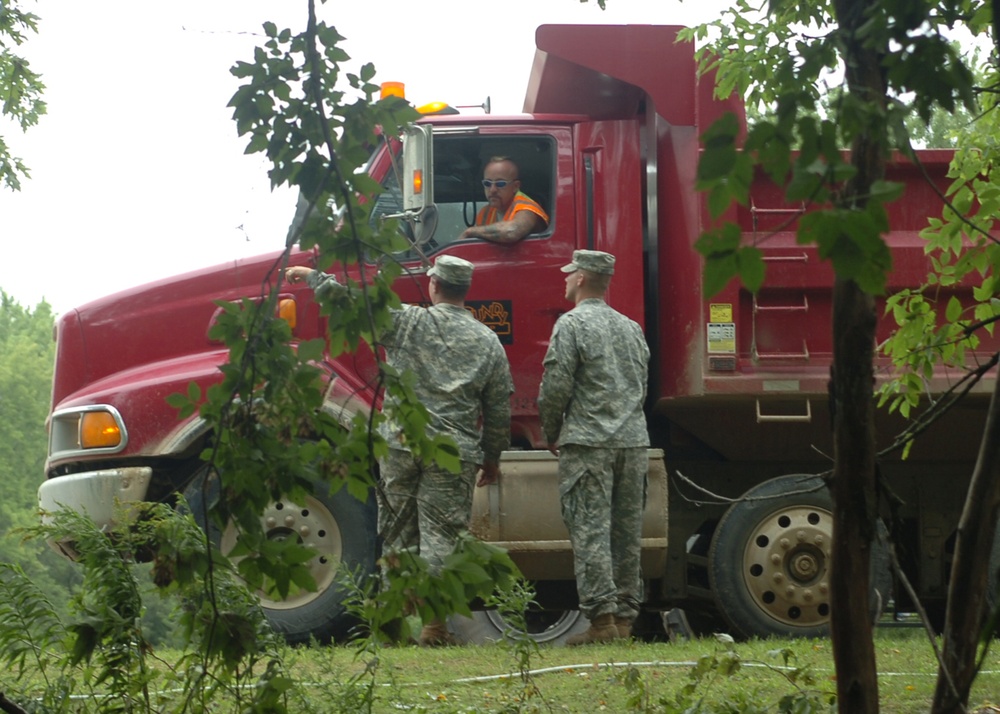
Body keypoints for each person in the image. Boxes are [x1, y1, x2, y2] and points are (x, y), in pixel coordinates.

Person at [285, 256, 513, 646]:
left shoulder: (409, 321)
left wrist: (313, 277)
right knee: (442, 536)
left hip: (401, 443)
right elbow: (498, 408)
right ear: (465, 291)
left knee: (396, 533)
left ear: (434, 285)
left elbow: (356, 305)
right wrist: (492, 456)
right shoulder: (487, 341)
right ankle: (434, 626)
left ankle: (392, 626)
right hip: (453, 451)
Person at [536, 249, 650, 645]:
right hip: (633, 443)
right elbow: (641, 384)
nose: (565, 279)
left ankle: (601, 623)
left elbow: (556, 386)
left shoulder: (571, 325)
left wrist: (550, 429)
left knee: (591, 532)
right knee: (625, 533)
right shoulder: (631, 328)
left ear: (582, 277)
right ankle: (623, 621)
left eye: (570, 274)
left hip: (588, 442)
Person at [459, 156, 549, 244]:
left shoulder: (527, 208)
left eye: (500, 184)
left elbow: (511, 232)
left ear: (515, 186)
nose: (492, 190)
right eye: (487, 183)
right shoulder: (485, 212)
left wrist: (470, 232)